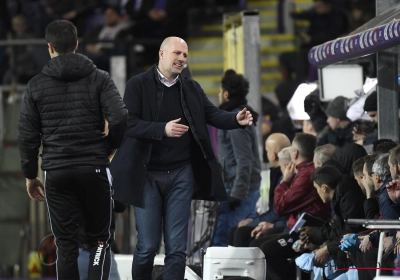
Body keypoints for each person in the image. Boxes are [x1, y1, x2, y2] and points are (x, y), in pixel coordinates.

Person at [110, 36, 254, 280]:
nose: (182, 59)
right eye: (177, 53)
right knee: (147, 247)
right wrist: (161, 129)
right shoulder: (138, 85)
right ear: (162, 54)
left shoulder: (191, 87)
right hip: (147, 176)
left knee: (177, 248)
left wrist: (234, 120)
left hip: (181, 174)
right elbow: (130, 124)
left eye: (185, 55)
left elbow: (211, 114)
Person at [17, 20, 127, 280]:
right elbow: (120, 118)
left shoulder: (35, 86)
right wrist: (109, 148)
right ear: (77, 45)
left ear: (50, 47)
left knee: (65, 245)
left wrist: (30, 174)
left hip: (57, 173)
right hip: (94, 168)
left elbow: (27, 135)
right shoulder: (99, 78)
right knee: (100, 241)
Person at [212, 69, 261, 246]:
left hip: (239, 192)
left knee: (228, 241)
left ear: (226, 94)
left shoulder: (236, 121)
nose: (218, 95)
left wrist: (237, 195)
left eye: (219, 91)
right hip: (233, 188)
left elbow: (244, 159)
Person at [229, 135, 291, 247]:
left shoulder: (285, 178)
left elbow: (279, 212)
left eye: (267, 150)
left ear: (273, 155)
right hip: (278, 221)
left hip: (284, 224)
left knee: (241, 233)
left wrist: (255, 222)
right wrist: (254, 220)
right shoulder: (279, 174)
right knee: (237, 229)